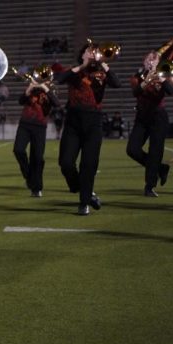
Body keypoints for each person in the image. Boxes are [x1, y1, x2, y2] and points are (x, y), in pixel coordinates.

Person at [57, 42, 120, 215]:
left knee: (88, 164)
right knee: (66, 163)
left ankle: (84, 202)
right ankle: (84, 190)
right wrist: (83, 66)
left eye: (95, 52)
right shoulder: (74, 71)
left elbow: (117, 83)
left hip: (94, 121)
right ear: (82, 55)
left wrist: (104, 65)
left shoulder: (102, 72)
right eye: (89, 52)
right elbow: (59, 79)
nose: (92, 54)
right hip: (73, 121)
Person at [126, 67, 173, 197]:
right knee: (132, 149)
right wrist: (147, 79)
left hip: (158, 116)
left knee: (155, 151)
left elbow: (171, 91)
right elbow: (136, 92)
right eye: (149, 58)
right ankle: (160, 168)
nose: (151, 60)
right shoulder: (138, 76)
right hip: (142, 116)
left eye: (154, 58)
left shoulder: (162, 76)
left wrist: (162, 79)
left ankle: (150, 186)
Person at [13, 77, 56, 197]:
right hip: (25, 124)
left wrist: (45, 89)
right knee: (18, 150)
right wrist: (29, 89)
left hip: (40, 127)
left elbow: (56, 103)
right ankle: (29, 176)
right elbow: (20, 101)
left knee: (37, 158)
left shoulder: (50, 90)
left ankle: (36, 188)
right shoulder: (31, 90)